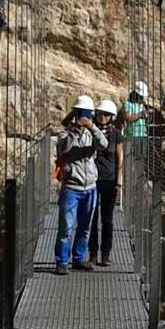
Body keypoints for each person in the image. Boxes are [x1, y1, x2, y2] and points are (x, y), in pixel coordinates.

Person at [55, 95, 108, 275]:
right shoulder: (65, 133)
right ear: (76, 114)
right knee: (66, 228)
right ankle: (61, 261)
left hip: (90, 187)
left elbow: (103, 144)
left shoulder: (93, 132)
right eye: (82, 114)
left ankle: (78, 258)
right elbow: (64, 148)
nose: (85, 117)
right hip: (71, 186)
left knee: (85, 227)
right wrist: (76, 129)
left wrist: (91, 127)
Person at [90, 100, 122, 267]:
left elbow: (119, 157)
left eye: (107, 114)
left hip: (109, 180)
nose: (103, 117)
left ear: (112, 117)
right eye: (100, 113)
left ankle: (106, 254)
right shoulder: (89, 130)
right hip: (91, 180)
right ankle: (93, 253)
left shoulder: (116, 133)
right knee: (92, 218)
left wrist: (119, 178)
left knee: (107, 219)